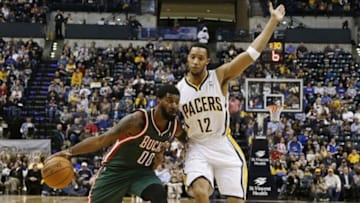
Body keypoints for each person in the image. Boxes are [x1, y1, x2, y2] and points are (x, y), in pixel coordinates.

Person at [176, 2, 285, 203]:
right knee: (201, 192)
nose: (196, 62)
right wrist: (181, 139)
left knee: (235, 201)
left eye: (200, 58)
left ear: (207, 61)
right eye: (192, 57)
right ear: (187, 59)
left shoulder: (219, 76)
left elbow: (251, 54)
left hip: (222, 143)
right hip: (197, 146)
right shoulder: (178, 90)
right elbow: (170, 122)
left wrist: (272, 22)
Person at [50, 85, 186, 203]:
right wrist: (69, 152)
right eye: (169, 101)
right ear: (158, 100)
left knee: (159, 193)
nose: (174, 105)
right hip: (115, 171)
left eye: (176, 102)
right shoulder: (137, 121)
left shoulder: (175, 127)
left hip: (141, 173)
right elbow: (101, 140)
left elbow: (188, 140)